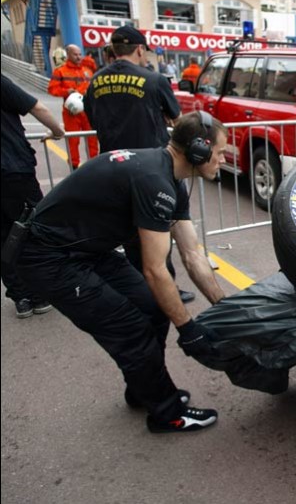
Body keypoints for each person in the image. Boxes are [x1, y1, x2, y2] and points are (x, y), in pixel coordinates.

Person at [17, 112, 228, 434]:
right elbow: (155, 270)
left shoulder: (171, 179)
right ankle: (166, 413)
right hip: (49, 258)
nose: (224, 159)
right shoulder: (154, 182)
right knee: (131, 330)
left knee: (155, 311)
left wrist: (224, 308)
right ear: (199, 150)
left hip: (88, 251)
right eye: (221, 152)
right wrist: (187, 327)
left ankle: (145, 389)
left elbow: (191, 254)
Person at [83, 25, 190, 302]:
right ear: (140, 49)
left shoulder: (95, 81)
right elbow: (178, 122)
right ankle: (166, 292)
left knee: (130, 235)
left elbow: (93, 120)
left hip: (113, 168)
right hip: (151, 170)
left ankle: (139, 290)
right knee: (157, 234)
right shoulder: (154, 80)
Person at [1, 75, 65, 318]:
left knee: (3, 236)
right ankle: (39, 293)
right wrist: (57, 130)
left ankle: (21, 297)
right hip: (14, 170)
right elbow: (36, 106)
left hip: (11, 170)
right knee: (34, 229)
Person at [47, 44, 99, 170]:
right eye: (75, 54)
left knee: (92, 139)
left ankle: (94, 165)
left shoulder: (87, 69)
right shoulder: (60, 71)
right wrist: (66, 91)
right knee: (72, 141)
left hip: (88, 110)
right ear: (68, 55)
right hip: (71, 112)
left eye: (80, 54)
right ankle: (74, 166)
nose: (78, 57)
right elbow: (52, 89)